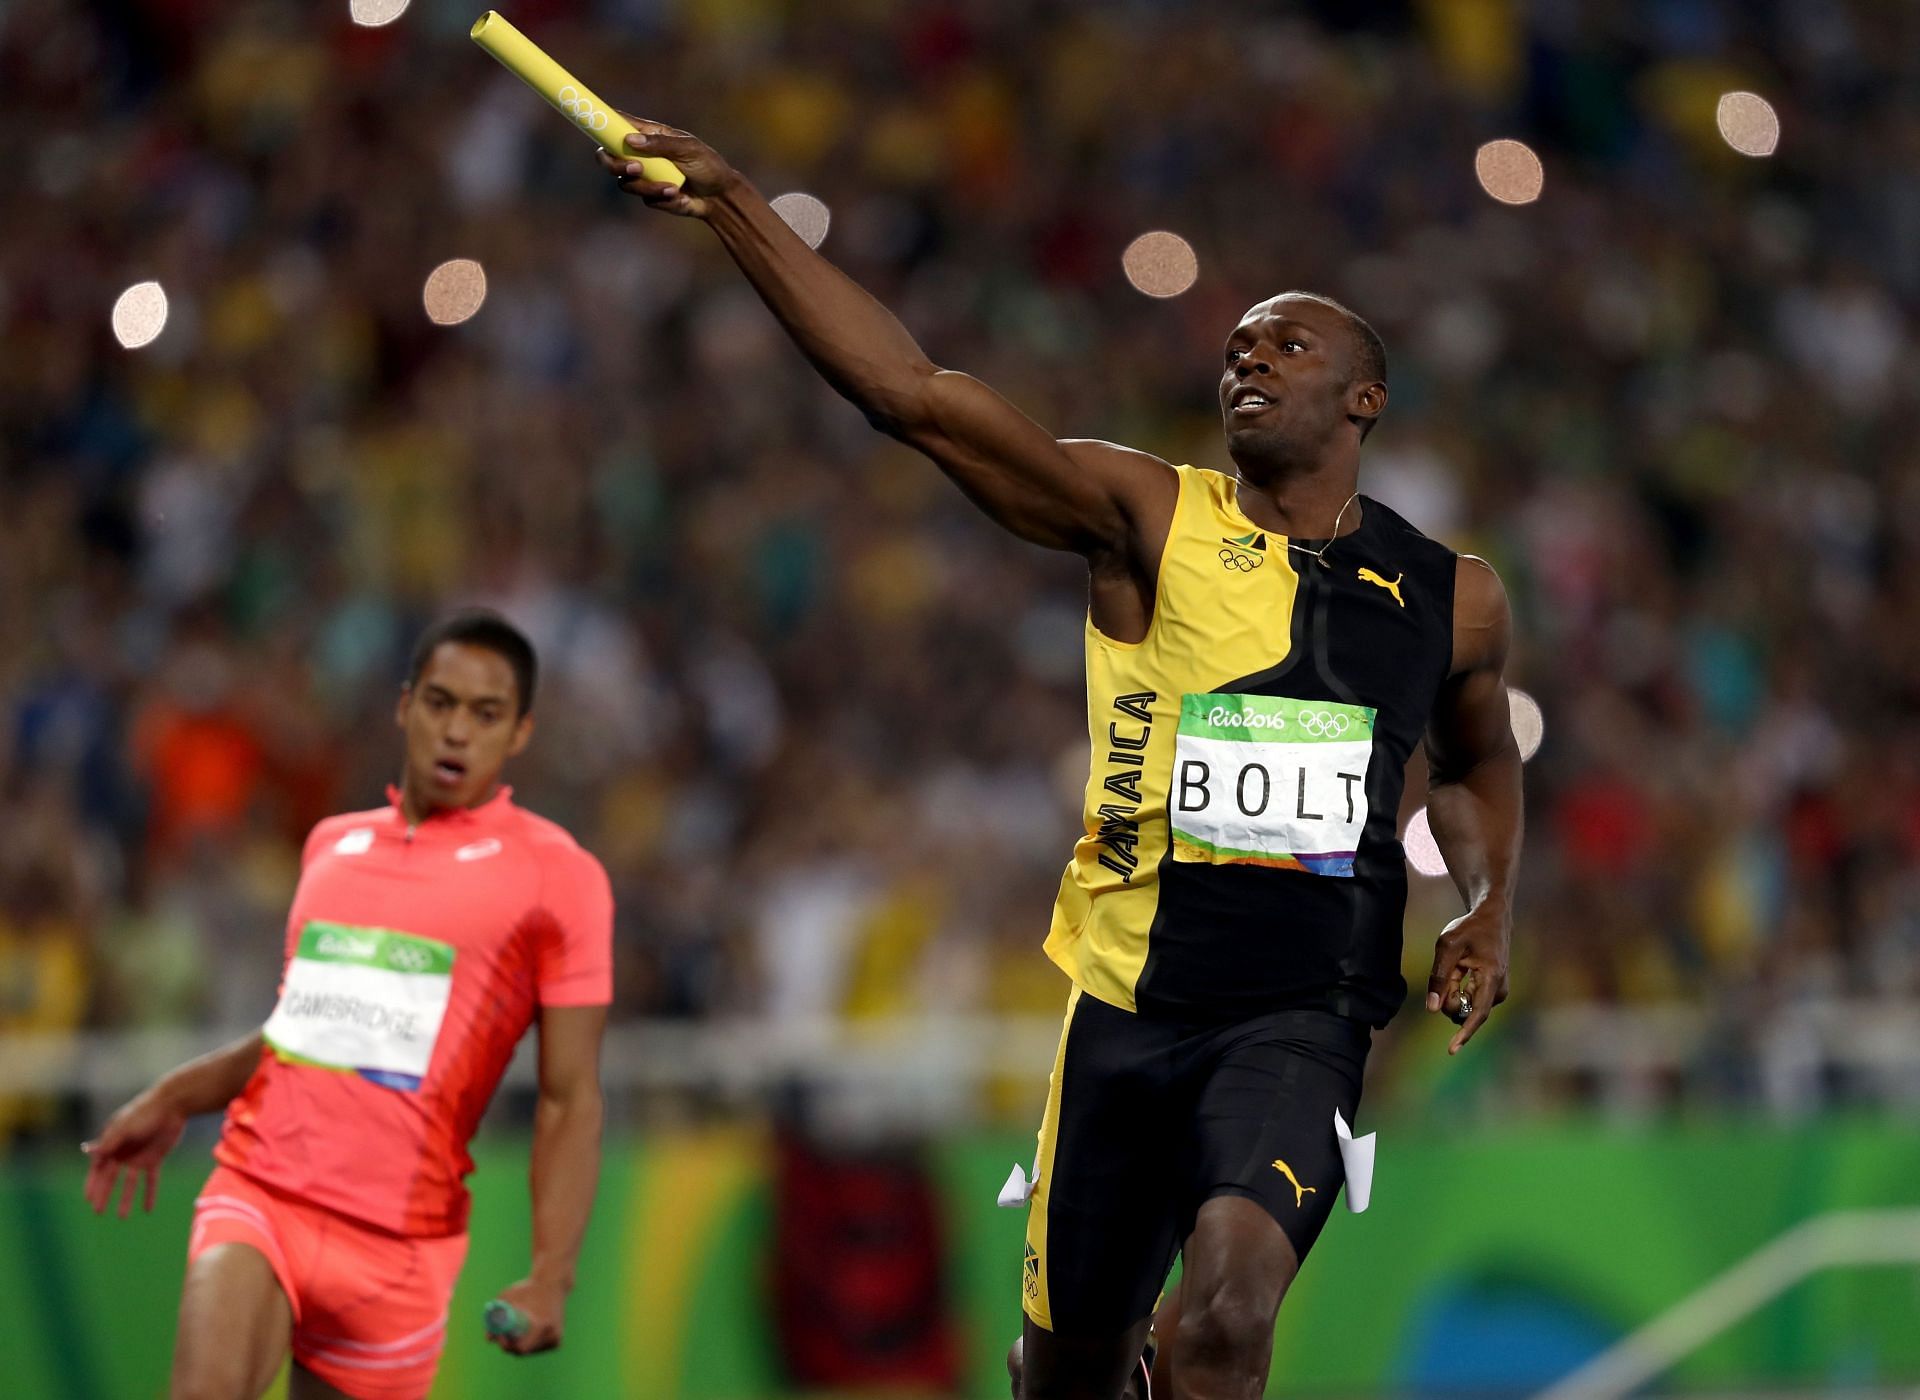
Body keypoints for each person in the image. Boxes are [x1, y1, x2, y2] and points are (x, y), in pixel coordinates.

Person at [598, 119, 1520, 1400]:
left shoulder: (1452, 595)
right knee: (1069, 1374)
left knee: (1230, 1312)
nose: (1248, 357)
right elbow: (911, 395)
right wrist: (737, 204)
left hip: (1300, 1019)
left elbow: (1480, 758)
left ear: (1365, 395)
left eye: (1286, 342)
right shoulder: (1145, 515)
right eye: (1236, 346)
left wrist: (1487, 906)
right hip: (1127, 1016)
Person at [82, 611, 614, 1400]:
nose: (456, 732)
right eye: (440, 703)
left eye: (485, 713)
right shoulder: (331, 845)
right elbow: (306, 1034)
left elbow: (570, 1098)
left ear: (521, 733)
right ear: (404, 706)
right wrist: (175, 1095)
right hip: (265, 1195)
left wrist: (551, 1276)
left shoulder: (558, 878)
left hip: (399, 1253)